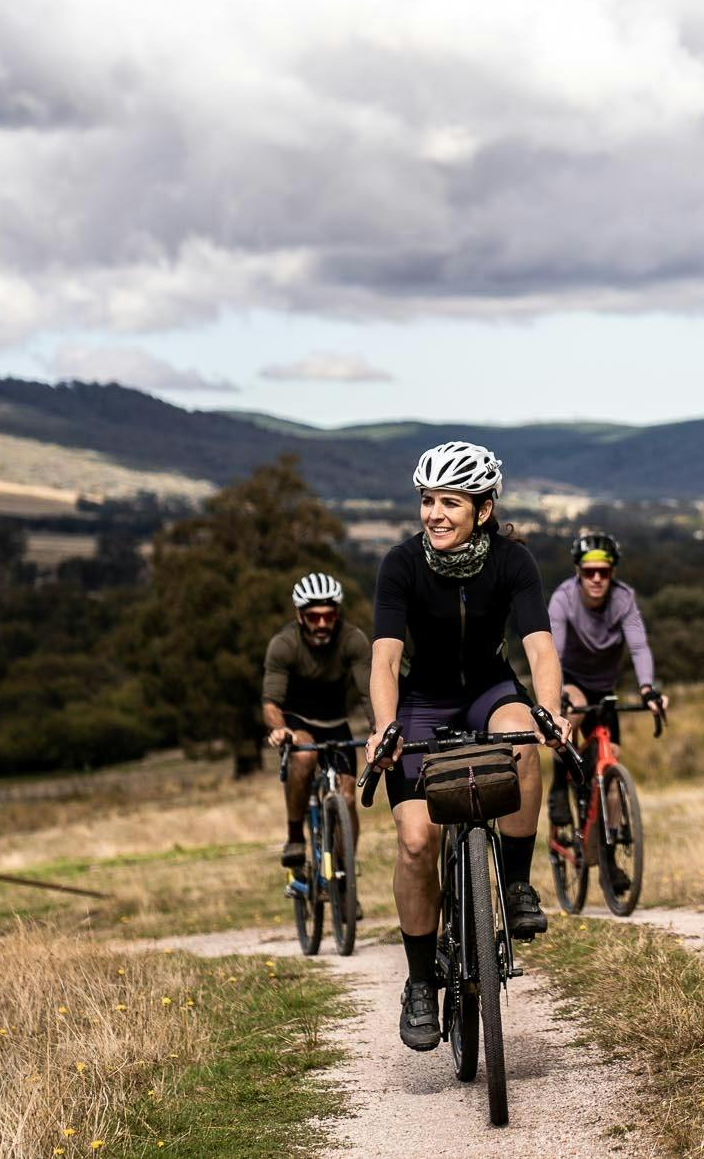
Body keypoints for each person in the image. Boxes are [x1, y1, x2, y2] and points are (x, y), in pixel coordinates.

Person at [365, 441, 567, 1052]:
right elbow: (385, 659)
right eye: (427, 500)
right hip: (421, 704)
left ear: (483, 509)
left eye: (450, 502)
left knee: (520, 737)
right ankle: (419, 981)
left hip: (488, 690)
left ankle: (517, 883)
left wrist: (550, 711)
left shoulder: (513, 561)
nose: (435, 514)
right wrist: (384, 725)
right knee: (416, 840)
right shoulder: (401, 564)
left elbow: (539, 647)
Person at [545, 532, 668, 895]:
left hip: (605, 689)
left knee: (610, 770)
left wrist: (647, 689)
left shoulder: (624, 599)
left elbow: (639, 647)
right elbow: (553, 652)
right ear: (578, 572)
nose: (597, 579)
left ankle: (609, 861)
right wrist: (556, 696)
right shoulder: (563, 599)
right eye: (589, 572)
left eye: (604, 572)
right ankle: (558, 787)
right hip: (570, 681)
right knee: (570, 713)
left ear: (612, 573)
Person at [262, 572, 373, 868]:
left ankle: (344, 873)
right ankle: (295, 836)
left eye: (329, 616)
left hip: (336, 724)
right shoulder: (284, 644)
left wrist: (381, 729)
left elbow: (369, 693)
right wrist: (280, 729)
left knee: (347, 798)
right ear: (300, 616)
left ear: (337, 614)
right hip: (298, 723)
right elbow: (271, 703)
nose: (322, 624)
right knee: (303, 757)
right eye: (314, 617)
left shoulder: (353, 640)